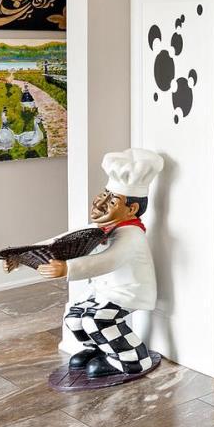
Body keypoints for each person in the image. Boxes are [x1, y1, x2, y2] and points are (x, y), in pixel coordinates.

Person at [38, 149, 164, 378]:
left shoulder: (131, 235)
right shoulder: (103, 227)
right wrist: (23, 254)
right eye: (104, 194)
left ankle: (134, 359)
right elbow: (62, 239)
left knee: (98, 319)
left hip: (128, 291)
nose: (101, 202)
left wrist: (68, 268)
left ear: (131, 209)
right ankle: (98, 350)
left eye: (112, 200)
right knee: (74, 316)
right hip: (104, 290)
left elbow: (108, 261)